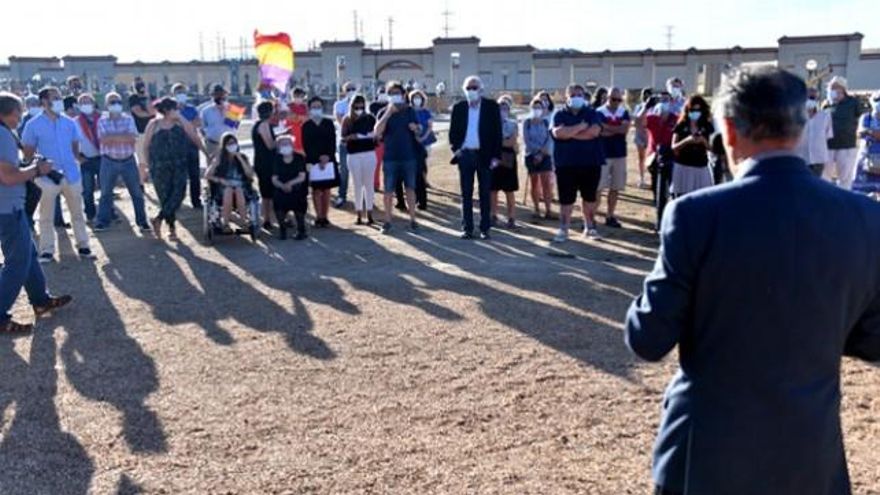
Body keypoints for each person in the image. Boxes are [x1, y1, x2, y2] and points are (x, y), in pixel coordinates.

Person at [625, 65, 880, 495]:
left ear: (728, 128)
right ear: (801, 128)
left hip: (706, 454)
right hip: (808, 455)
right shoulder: (865, 216)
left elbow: (648, 338)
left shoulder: (694, 215)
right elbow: (874, 340)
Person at [0, 92, 72, 333]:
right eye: (18, 112)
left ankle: (41, 300)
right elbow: (8, 176)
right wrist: (37, 170)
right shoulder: (2, 135)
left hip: (9, 206)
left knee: (28, 255)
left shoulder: (5, 133)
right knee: (17, 262)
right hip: (6, 207)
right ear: (9, 113)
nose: (20, 117)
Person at [21, 86, 95, 263]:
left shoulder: (69, 123)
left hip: (71, 174)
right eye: (55, 97)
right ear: (44, 102)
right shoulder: (33, 125)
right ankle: (46, 250)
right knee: (46, 215)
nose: (59, 100)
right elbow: (28, 153)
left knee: (77, 212)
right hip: (47, 177)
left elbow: (75, 148)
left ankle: (83, 246)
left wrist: (74, 161)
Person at [143, 97, 207, 240]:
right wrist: (148, 166)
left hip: (179, 165)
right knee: (165, 197)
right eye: (175, 109)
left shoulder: (180, 123)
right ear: (166, 110)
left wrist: (205, 153)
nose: (178, 111)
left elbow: (194, 137)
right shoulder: (154, 124)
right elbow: (146, 146)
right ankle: (172, 229)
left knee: (179, 194)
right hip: (159, 166)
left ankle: (158, 219)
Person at [448, 76, 502, 240]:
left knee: (485, 192)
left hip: (484, 155)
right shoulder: (459, 108)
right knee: (466, 193)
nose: (471, 91)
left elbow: (497, 133)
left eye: (474, 88)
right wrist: (456, 149)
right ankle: (467, 228)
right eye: (468, 88)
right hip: (465, 155)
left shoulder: (491, 107)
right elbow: (453, 133)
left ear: (481, 90)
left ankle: (485, 228)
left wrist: (496, 156)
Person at [550, 83, 604, 243]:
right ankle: (564, 228)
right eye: (573, 95)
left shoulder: (591, 112)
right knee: (566, 199)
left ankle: (589, 227)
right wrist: (580, 127)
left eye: (580, 95)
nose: (577, 98)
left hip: (591, 163)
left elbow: (594, 132)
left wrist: (570, 133)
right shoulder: (559, 114)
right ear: (567, 97)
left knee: (589, 198)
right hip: (566, 164)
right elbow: (558, 133)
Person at [94, 92, 150, 232]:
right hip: (109, 161)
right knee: (106, 193)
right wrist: (122, 136)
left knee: (136, 193)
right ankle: (102, 221)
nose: (115, 104)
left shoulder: (129, 118)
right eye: (112, 102)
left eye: (118, 101)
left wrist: (113, 137)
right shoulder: (102, 120)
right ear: (107, 105)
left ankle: (142, 221)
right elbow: (103, 140)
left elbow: (132, 138)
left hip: (128, 160)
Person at [374, 81, 422, 234]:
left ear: (403, 95)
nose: (395, 96)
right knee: (388, 190)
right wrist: (388, 113)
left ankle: (413, 220)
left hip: (408, 156)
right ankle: (388, 221)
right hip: (390, 158)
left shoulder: (409, 111)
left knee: (410, 188)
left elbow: (419, 129)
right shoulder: (383, 112)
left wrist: (416, 128)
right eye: (392, 93)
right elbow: (377, 132)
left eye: (397, 93)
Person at [639, 90, 679, 230]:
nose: (663, 102)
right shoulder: (652, 118)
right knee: (657, 189)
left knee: (672, 189)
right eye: (661, 100)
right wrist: (646, 106)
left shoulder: (675, 118)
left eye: (666, 99)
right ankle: (659, 218)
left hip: (672, 156)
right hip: (654, 157)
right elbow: (639, 122)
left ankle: (672, 217)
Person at [205, 133, 256, 230]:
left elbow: (250, 175)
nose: (232, 145)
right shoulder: (219, 159)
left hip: (241, 188)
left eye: (234, 143)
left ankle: (243, 222)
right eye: (229, 144)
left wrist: (240, 158)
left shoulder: (243, 157)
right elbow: (207, 175)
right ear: (224, 146)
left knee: (238, 190)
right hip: (222, 189)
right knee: (228, 190)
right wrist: (220, 179)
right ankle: (226, 224)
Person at [302, 96, 339, 227]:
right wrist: (318, 159)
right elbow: (306, 145)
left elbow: (332, 142)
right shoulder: (306, 125)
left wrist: (327, 156)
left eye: (319, 107)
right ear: (309, 109)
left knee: (327, 190)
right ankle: (318, 217)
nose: (316, 109)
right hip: (313, 161)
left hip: (328, 160)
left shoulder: (328, 123)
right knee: (316, 190)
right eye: (313, 107)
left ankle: (325, 216)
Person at [596, 87, 630, 228]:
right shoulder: (599, 112)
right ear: (607, 98)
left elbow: (624, 130)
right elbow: (600, 131)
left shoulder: (624, 112)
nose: (616, 102)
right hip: (602, 154)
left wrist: (608, 127)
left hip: (619, 154)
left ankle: (610, 215)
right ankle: (592, 216)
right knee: (598, 188)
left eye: (618, 99)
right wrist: (616, 130)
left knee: (615, 187)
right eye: (613, 99)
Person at [341, 94, 377, 225]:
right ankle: (358, 214)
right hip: (353, 154)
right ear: (352, 106)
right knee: (356, 184)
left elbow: (376, 135)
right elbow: (343, 138)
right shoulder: (347, 120)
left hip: (369, 153)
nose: (359, 108)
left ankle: (370, 213)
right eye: (356, 106)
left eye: (361, 105)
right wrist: (352, 137)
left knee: (369, 184)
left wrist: (360, 136)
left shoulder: (370, 118)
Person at [395, 89, 434, 211]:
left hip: (417, 148)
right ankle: (403, 201)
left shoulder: (414, 113)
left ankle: (421, 201)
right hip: (403, 148)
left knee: (418, 175)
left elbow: (421, 128)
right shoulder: (400, 113)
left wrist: (417, 132)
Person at [823, 76, 863, 189]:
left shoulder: (853, 102)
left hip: (847, 145)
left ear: (843, 89)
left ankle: (844, 201)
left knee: (845, 178)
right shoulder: (827, 104)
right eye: (831, 88)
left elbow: (860, 116)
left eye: (835, 88)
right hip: (828, 145)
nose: (832, 91)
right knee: (824, 177)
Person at [670, 95, 715, 197]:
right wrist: (687, 141)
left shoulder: (707, 126)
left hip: (700, 166)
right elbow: (673, 147)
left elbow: (712, 148)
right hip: (683, 166)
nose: (695, 113)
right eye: (692, 110)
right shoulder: (681, 125)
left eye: (698, 110)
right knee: (682, 197)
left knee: (701, 197)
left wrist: (703, 141)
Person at [172, 83, 203, 209]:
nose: (181, 95)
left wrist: (184, 124)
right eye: (178, 92)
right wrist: (188, 124)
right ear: (174, 95)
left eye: (182, 92)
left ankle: (196, 200)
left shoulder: (191, 108)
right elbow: (173, 125)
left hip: (192, 143)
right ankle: (178, 200)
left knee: (194, 174)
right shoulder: (171, 110)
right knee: (179, 175)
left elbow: (198, 122)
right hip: (177, 145)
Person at [272, 135, 308, 240]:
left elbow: (302, 176)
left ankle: (301, 230)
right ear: (279, 147)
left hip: (296, 186)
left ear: (292, 145)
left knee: (299, 199)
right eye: (282, 144)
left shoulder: (299, 157)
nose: (285, 146)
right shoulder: (277, 159)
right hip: (281, 187)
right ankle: (282, 229)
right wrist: (282, 185)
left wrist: (290, 184)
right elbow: (274, 179)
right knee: (278, 200)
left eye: (287, 143)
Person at [491, 95, 519, 228]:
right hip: (494, 159)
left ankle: (511, 218)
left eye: (505, 108)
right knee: (493, 190)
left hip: (508, 160)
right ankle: (493, 216)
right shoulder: (490, 125)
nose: (503, 110)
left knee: (509, 190)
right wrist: (501, 142)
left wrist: (498, 142)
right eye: (500, 107)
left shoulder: (513, 124)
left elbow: (511, 142)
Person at [523, 96, 554, 219]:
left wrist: (541, 153)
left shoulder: (546, 122)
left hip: (545, 156)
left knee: (546, 183)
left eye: (539, 107)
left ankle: (548, 210)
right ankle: (536, 209)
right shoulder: (527, 122)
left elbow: (549, 138)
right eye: (535, 107)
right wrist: (535, 153)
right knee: (534, 183)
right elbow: (527, 140)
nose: (537, 109)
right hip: (531, 156)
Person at [75, 93, 102, 223]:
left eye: (88, 101)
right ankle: (90, 214)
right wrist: (78, 157)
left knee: (106, 188)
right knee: (87, 189)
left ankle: (107, 212)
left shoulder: (102, 118)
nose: (86, 105)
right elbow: (72, 142)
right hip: (85, 159)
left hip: (102, 157)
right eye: (83, 102)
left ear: (93, 103)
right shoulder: (75, 122)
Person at [796, 86, 834, 177]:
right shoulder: (795, 116)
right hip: (801, 158)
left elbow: (828, 135)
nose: (811, 100)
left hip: (818, 159)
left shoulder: (825, 116)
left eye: (813, 98)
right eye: (809, 98)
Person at [252, 100, 278, 230]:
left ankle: (268, 219)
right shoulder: (264, 125)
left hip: (263, 161)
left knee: (267, 192)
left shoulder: (259, 124)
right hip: (265, 162)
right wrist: (281, 140)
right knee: (267, 193)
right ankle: (267, 219)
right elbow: (270, 144)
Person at [333, 81, 356, 208]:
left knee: (360, 170)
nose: (351, 90)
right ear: (344, 91)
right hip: (344, 142)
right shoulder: (339, 104)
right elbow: (341, 120)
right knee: (344, 170)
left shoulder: (362, 104)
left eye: (353, 88)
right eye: (348, 89)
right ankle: (342, 195)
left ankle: (362, 196)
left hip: (359, 142)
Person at [852, 90, 880, 196]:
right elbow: (860, 133)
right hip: (867, 158)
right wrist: (871, 132)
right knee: (862, 192)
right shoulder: (866, 117)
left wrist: (870, 132)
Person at [199, 84, 234, 159]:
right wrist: (206, 139)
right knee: (213, 168)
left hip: (229, 144)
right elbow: (201, 127)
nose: (220, 97)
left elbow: (234, 127)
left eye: (222, 94)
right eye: (217, 94)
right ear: (212, 96)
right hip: (212, 144)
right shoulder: (205, 111)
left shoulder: (233, 109)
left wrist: (224, 112)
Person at [129, 78, 155, 171]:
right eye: (137, 84)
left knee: (154, 157)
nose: (140, 87)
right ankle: (141, 183)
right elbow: (138, 112)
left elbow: (154, 110)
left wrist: (147, 98)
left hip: (153, 131)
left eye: (141, 84)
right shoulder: (133, 98)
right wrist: (150, 113)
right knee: (142, 161)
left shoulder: (152, 97)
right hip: (140, 132)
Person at [633, 88, 653, 188]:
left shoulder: (655, 107)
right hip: (640, 134)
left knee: (652, 158)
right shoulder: (639, 107)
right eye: (645, 95)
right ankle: (641, 178)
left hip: (650, 134)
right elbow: (636, 120)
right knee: (641, 158)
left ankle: (652, 178)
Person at [287, 87, 308, 154]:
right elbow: (290, 117)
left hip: (303, 134)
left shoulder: (304, 107)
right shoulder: (289, 106)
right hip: (291, 133)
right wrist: (300, 118)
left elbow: (307, 119)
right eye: (297, 96)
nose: (299, 99)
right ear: (293, 96)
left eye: (301, 97)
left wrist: (298, 117)